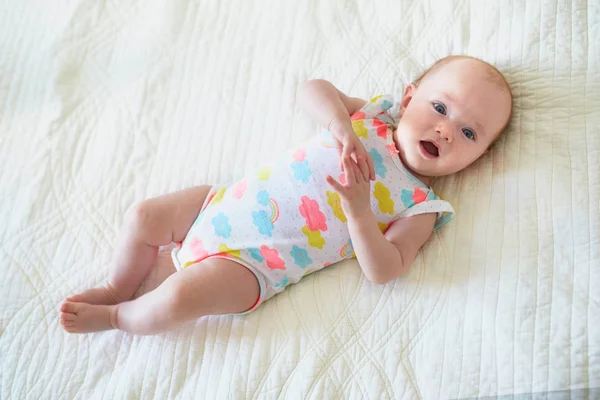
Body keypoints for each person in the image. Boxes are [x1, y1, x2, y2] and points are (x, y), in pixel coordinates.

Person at [59, 55, 513, 335]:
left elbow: (385, 269)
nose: (446, 130)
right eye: (440, 106)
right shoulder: (374, 116)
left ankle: (120, 317)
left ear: (479, 157)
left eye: (469, 132)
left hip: (257, 266)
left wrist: (358, 211)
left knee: (176, 301)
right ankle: (116, 286)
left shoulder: (421, 205)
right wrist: (339, 125)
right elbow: (311, 90)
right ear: (409, 97)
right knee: (143, 216)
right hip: (217, 205)